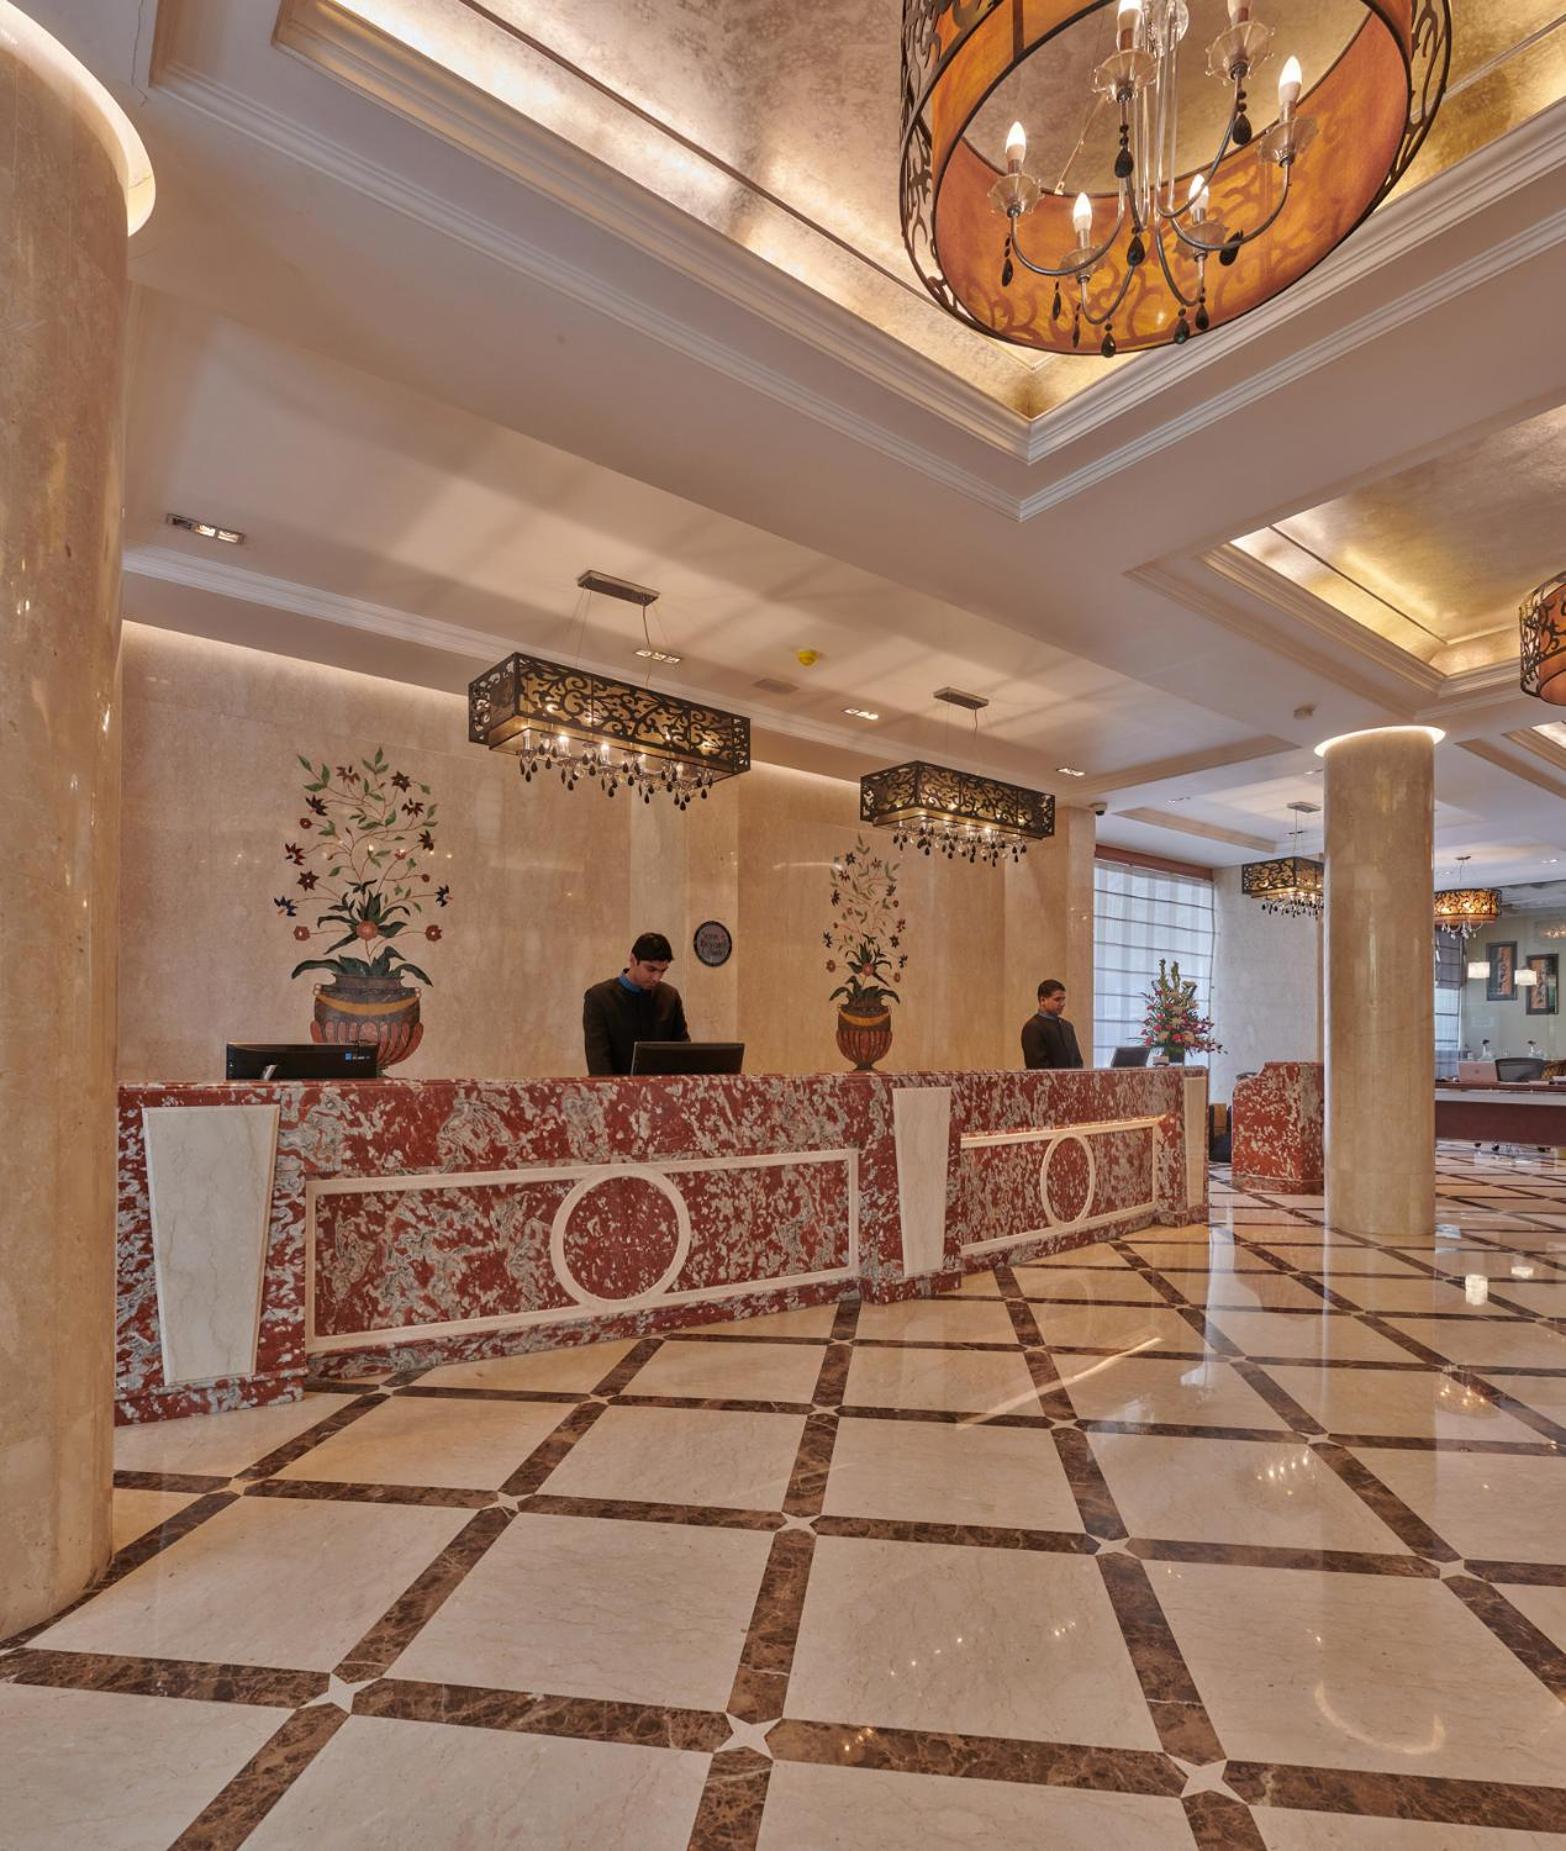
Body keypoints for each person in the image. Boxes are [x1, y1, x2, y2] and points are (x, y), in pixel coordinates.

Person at [583, 932, 690, 1075]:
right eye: (651, 969)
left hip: (662, 1086)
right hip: (615, 1086)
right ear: (633, 960)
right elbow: (598, 1062)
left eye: (662, 971)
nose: (657, 978)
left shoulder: (670, 997)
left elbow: (683, 1052)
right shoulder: (599, 998)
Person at [1021, 978, 1083, 1070]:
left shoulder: (1067, 1026)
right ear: (1042, 1000)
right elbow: (1037, 1066)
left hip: (1071, 1078)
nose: (1062, 1004)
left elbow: (1077, 1061)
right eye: (1057, 999)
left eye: (1063, 999)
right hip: (1047, 1079)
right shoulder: (1032, 1028)